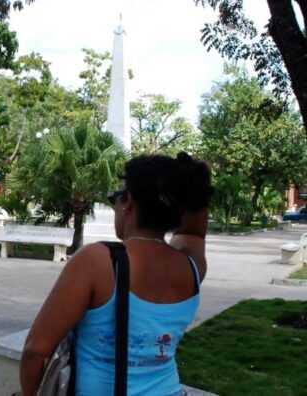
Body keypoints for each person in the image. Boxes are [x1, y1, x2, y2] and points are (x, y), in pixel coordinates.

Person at [20, 152, 214, 396]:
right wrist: (199, 180)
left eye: (116, 197)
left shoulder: (98, 261)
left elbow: (36, 351)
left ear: (128, 202)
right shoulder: (190, 266)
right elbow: (196, 233)